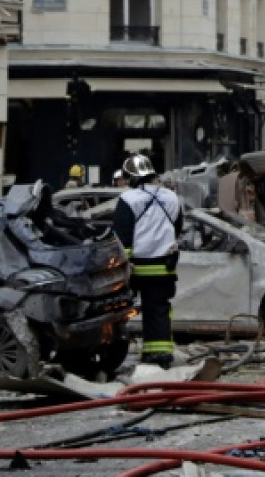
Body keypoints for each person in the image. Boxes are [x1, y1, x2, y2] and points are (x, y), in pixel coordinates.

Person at [112, 154, 184, 369]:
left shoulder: (128, 199)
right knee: (159, 309)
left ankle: (114, 352)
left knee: (118, 311)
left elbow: (121, 236)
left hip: (136, 268)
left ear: (131, 177)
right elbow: (177, 229)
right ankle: (160, 354)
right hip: (164, 266)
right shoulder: (172, 198)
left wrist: (122, 266)